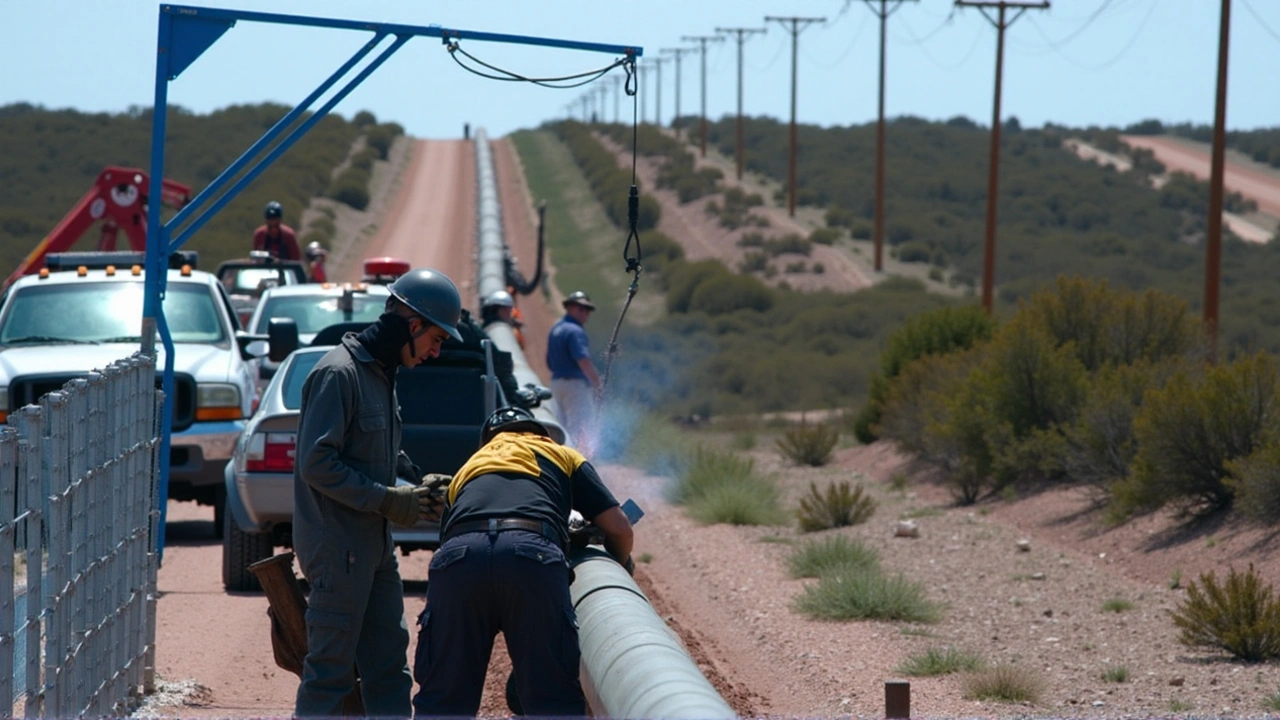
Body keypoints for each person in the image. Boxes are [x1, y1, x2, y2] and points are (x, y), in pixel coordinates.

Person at [292, 267, 463, 717]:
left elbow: (375, 451)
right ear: (413, 325)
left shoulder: (381, 375)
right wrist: (388, 500)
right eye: (436, 339)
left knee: (389, 668)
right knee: (330, 673)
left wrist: (417, 480)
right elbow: (316, 463)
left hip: (374, 545)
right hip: (338, 549)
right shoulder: (339, 374)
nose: (436, 351)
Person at [411, 406, 634, 718]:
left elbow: (451, 537)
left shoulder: (469, 466)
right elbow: (620, 527)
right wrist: (621, 565)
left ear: (487, 440)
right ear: (540, 433)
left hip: (459, 558)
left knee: (443, 700)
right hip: (532, 555)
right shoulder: (562, 454)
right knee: (551, 699)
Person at [546, 290, 601, 453]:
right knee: (579, 426)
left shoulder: (556, 328)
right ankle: (576, 461)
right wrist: (597, 383)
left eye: (587, 310)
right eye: (581, 309)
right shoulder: (575, 331)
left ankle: (561, 458)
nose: (586, 314)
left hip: (556, 383)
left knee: (560, 426)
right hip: (575, 385)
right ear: (570, 308)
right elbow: (583, 360)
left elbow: (549, 362)